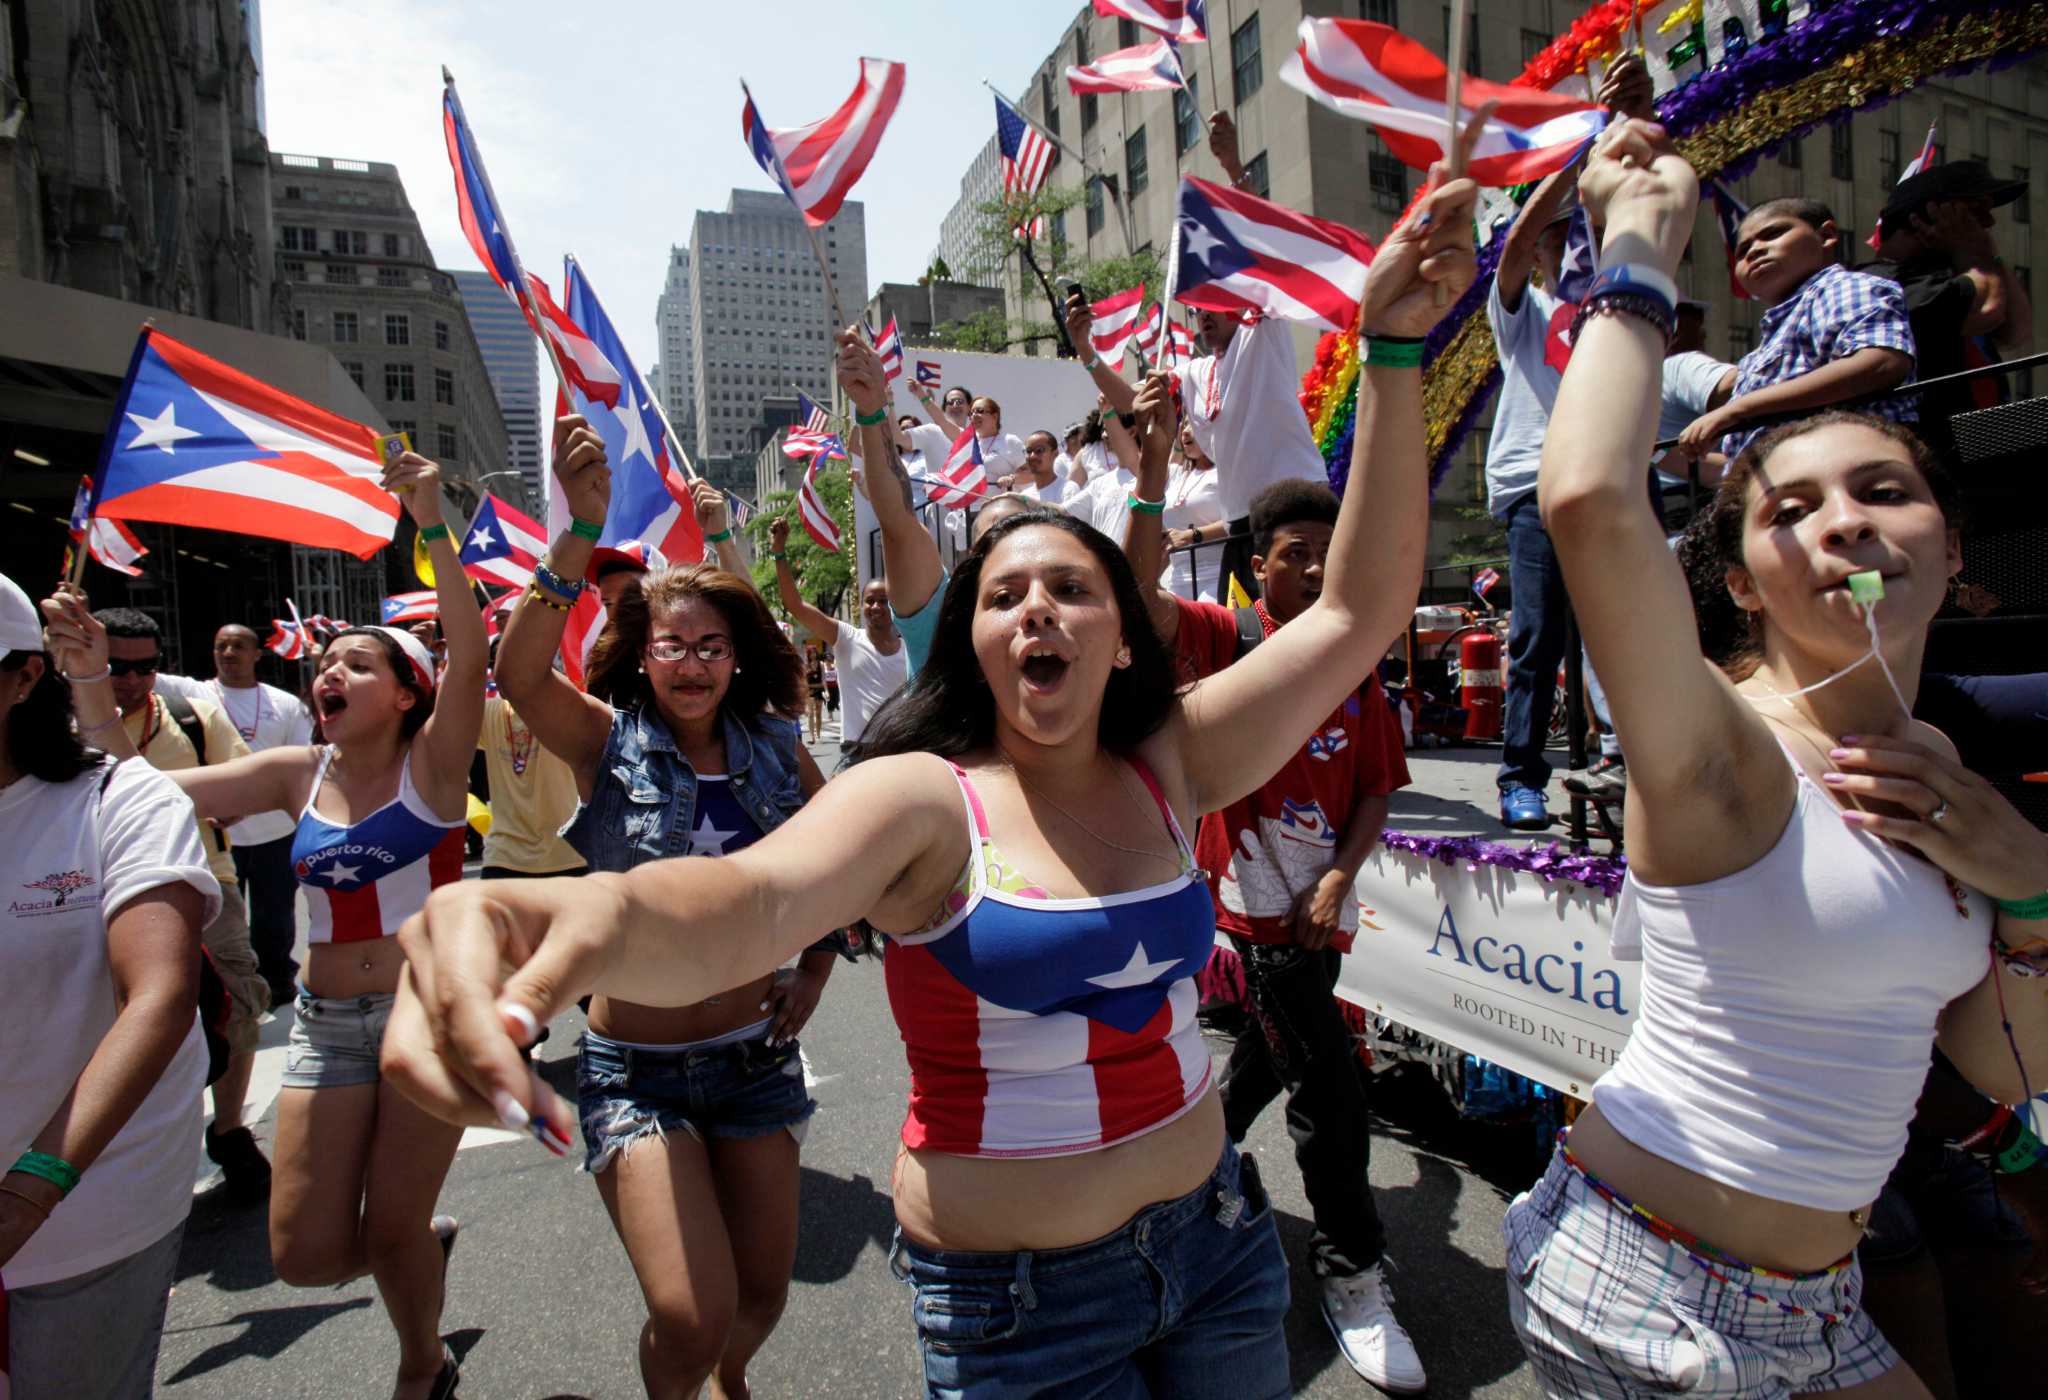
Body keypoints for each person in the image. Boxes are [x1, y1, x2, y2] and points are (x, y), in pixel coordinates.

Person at [378, 144, 1481, 1400]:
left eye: (1071, 587)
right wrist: (525, 911)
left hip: (1221, 1256)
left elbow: (1360, 604)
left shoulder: (1174, 759)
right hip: (1024, 1311)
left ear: (1124, 629)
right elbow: (735, 903)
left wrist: (1392, 353)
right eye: (1002, 594)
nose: (1036, 611)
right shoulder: (920, 798)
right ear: (967, 641)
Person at [1504, 116, 2048, 1398]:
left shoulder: (1946, 773)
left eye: (1882, 490)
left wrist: (2026, 885)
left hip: (1821, 1302)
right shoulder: (1725, 747)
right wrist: (1633, 243)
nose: (1841, 523)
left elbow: (2012, 1068)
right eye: (1789, 509)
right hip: (1640, 1290)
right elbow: (1586, 501)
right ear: (1742, 582)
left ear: (1952, 548)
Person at [49, 449, 484, 1400]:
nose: (329, 674)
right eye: (324, 665)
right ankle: (413, 1247)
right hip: (326, 1032)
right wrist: (87, 675)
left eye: (356, 665)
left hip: (430, 1023)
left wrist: (430, 518)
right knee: (304, 1253)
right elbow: (136, 786)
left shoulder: (437, 766)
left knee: (388, 1228)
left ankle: (424, 1364)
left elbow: (470, 641)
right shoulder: (297, 778)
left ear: (408, 693)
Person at [494, 415, 840, 1399]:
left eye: (710, 646)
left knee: (759, 1298)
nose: (690, 662)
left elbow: (835, 863)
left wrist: (813, 966)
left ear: (735, 656)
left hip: (754, 1060)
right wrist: (581, 529)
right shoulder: (607, 742)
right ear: (640, 656)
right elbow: (519, 675)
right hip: (632, 1070)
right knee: (687, 1313)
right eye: (669, 645)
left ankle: (728, 1373)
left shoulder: (776, 746)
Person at [1124, 404, 1423, 1389]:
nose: (1312, 569)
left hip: (1316, 919)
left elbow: (1377, 784)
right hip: (1245, 923)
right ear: (1259, 564)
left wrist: (1339, 875)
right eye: (1295, 554)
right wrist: (1153, 469)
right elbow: (1135, 596)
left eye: (1327, 554)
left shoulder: (1356, 664)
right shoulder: (1220, 636)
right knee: (1329, 1090)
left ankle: (1182, 1169)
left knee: (1265, 1052)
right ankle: (1347, 1262)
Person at [0, 572, 216, 1400]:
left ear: (25, 678)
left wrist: (30, 1190)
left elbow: (159, 997)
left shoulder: (118, 797)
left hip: (86, 1205)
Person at [1477, 55, 1655, 833]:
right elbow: (1513, 249)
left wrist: (1630, 128)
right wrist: (1579, 153)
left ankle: (1625, 762)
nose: (1566, 247)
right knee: (1538, 634)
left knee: (1621, 628)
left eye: (1578, 234)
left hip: (1612, 477)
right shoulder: (1524, 312)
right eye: (1559, 237)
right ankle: (1522, 776)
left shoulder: (1619, 313)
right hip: (1537, 486)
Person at [1066, 112, 1334, 605]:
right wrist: (1086, 353)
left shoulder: (1263, 331)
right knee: (1250, 642)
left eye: (1214, 306)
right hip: (1242, 523)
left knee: (1308, 640)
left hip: (1296, 511)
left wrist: (1234, 168)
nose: (1204, 317)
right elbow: (1134, 401)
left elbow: (1260, 243)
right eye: (1196, 311)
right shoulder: (1195, 371)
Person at [92, 607, 274, 1203]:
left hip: (205, 884)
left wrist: (223, 802)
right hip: (95, 894)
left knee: (240, 1005)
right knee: (118, 1020)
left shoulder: (193, 719)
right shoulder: (52, 722)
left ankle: (230, 1130)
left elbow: (243, 784)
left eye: (146, 667)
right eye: (116, 665)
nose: (132, 679)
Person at [1678, 196, 1918, 461]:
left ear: (1826, 235)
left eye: (1772, 234)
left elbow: (1880, 363)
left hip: (1850, 464)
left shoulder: (1843, 288)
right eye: (1742, 251)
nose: (1754, 251)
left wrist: (1739, 408)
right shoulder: (1768, 341)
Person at [156, 622, 315, 1006]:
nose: (229, 653)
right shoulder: (194, 693)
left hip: (275, 832)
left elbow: (303, 764)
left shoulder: (284, 704)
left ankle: (277, 981)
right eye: (221, 645)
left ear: (257, 653)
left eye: (239, 646)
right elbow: (119, 673)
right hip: (215, 838)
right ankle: (228, 992)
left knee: (274, 917)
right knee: (220, 922)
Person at [1865, 159, 2034, 440]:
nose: (1988, 223)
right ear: (1926, 216)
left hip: (1983, 430)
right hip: (1931, 441)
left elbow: (2015, 333)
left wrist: (1988, 254)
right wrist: (1977, 253)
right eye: (1975, 212)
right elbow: (1988, 312)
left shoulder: (1965, 271)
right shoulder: (1881, 283)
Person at [770, 516, 906, 765]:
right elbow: (795, 605)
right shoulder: (846, 637)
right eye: (870, 600)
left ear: (895, 603)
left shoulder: (910, 649)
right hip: (857, 754)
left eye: (884, 600)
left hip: (901, 752)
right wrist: (779, 552)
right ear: (861, 605)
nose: (876, 607)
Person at [1161, 422, 1226, 603]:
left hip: (1216, 577)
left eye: (1195, 424)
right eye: (1184, 425)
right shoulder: (1177, 474)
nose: (1186, 432)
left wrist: (1192, 535)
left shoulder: (1224, 472)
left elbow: (1238, 520)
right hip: (1177, 579)